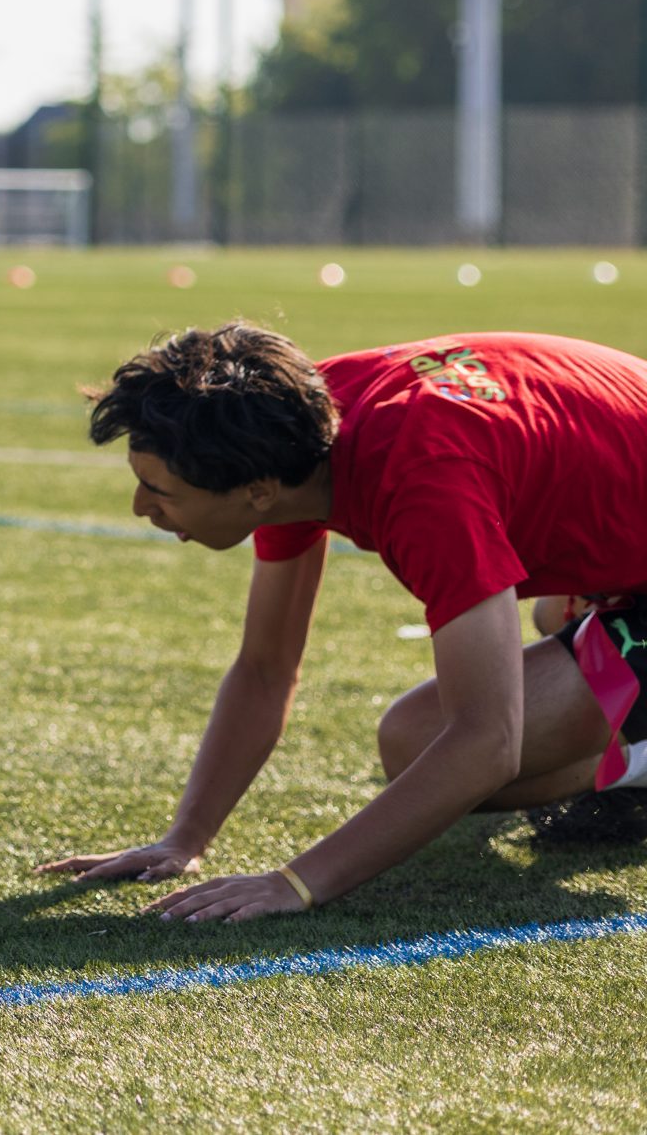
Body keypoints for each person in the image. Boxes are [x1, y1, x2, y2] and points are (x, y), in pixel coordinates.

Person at [44, 322, 647, 919]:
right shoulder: (287, 430)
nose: (139, 507)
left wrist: (296, 884)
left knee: (426, 741)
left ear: (258, 493)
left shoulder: (424, 481)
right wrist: (185, 838)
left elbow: (489, 743)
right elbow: (265, 669)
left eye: (159, 490)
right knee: (539, 628)